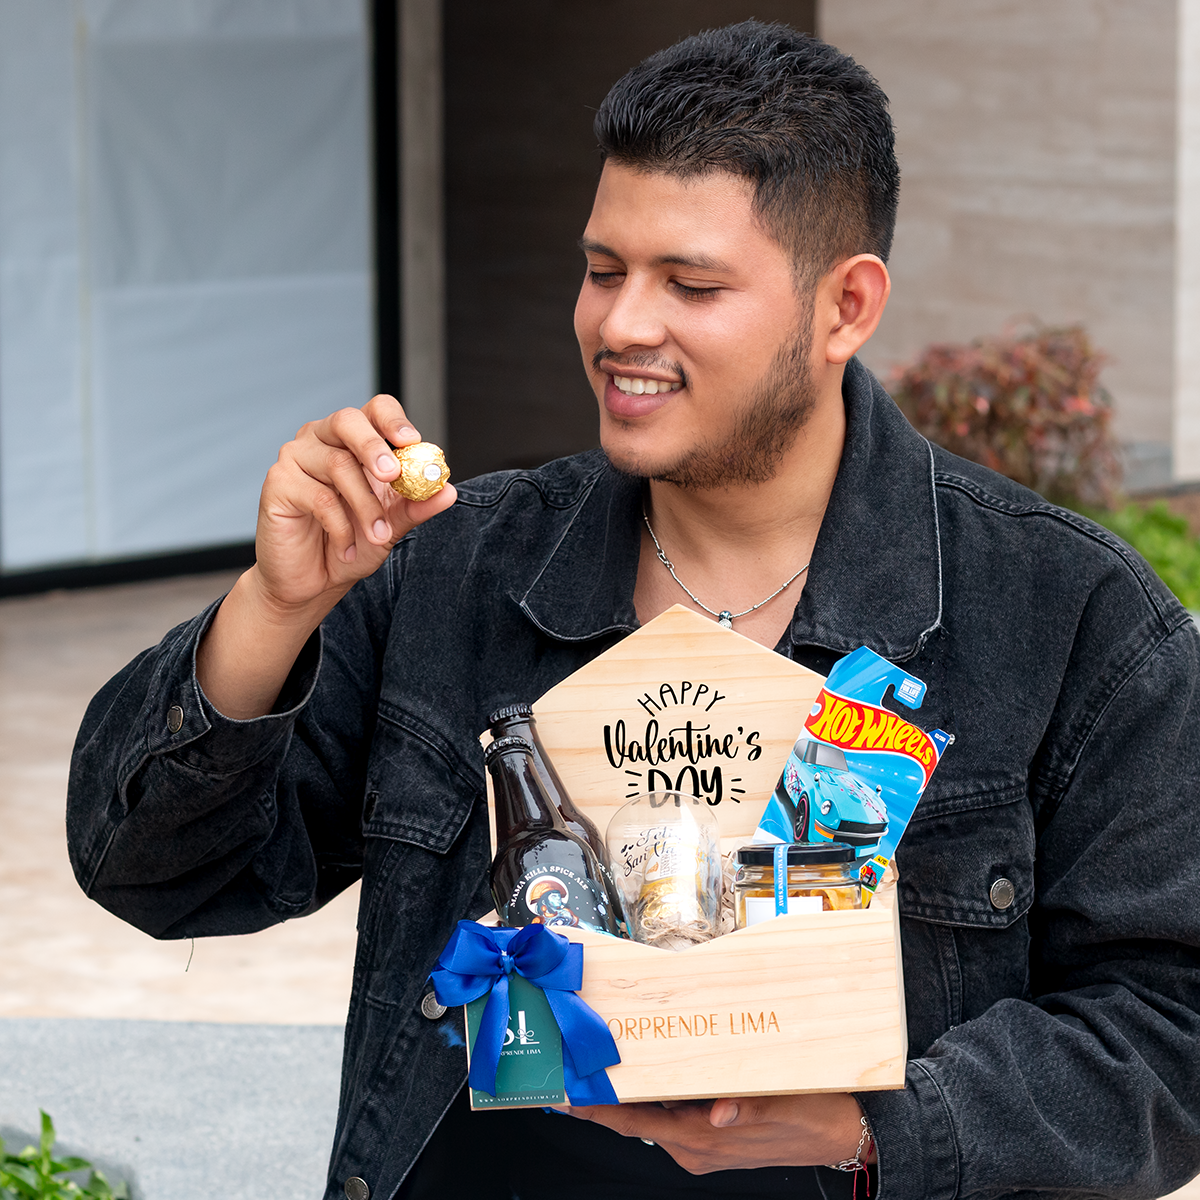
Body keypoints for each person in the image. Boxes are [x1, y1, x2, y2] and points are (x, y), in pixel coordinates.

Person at [67, 21, 1200, 1200]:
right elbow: (151, 873)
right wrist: (276, 605)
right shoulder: (456, 568)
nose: (619, 326)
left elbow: (1171, 1034)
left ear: (846, 307)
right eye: (604, 270)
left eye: (689, 284)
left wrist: (872, 1127)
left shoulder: (1071, 620)